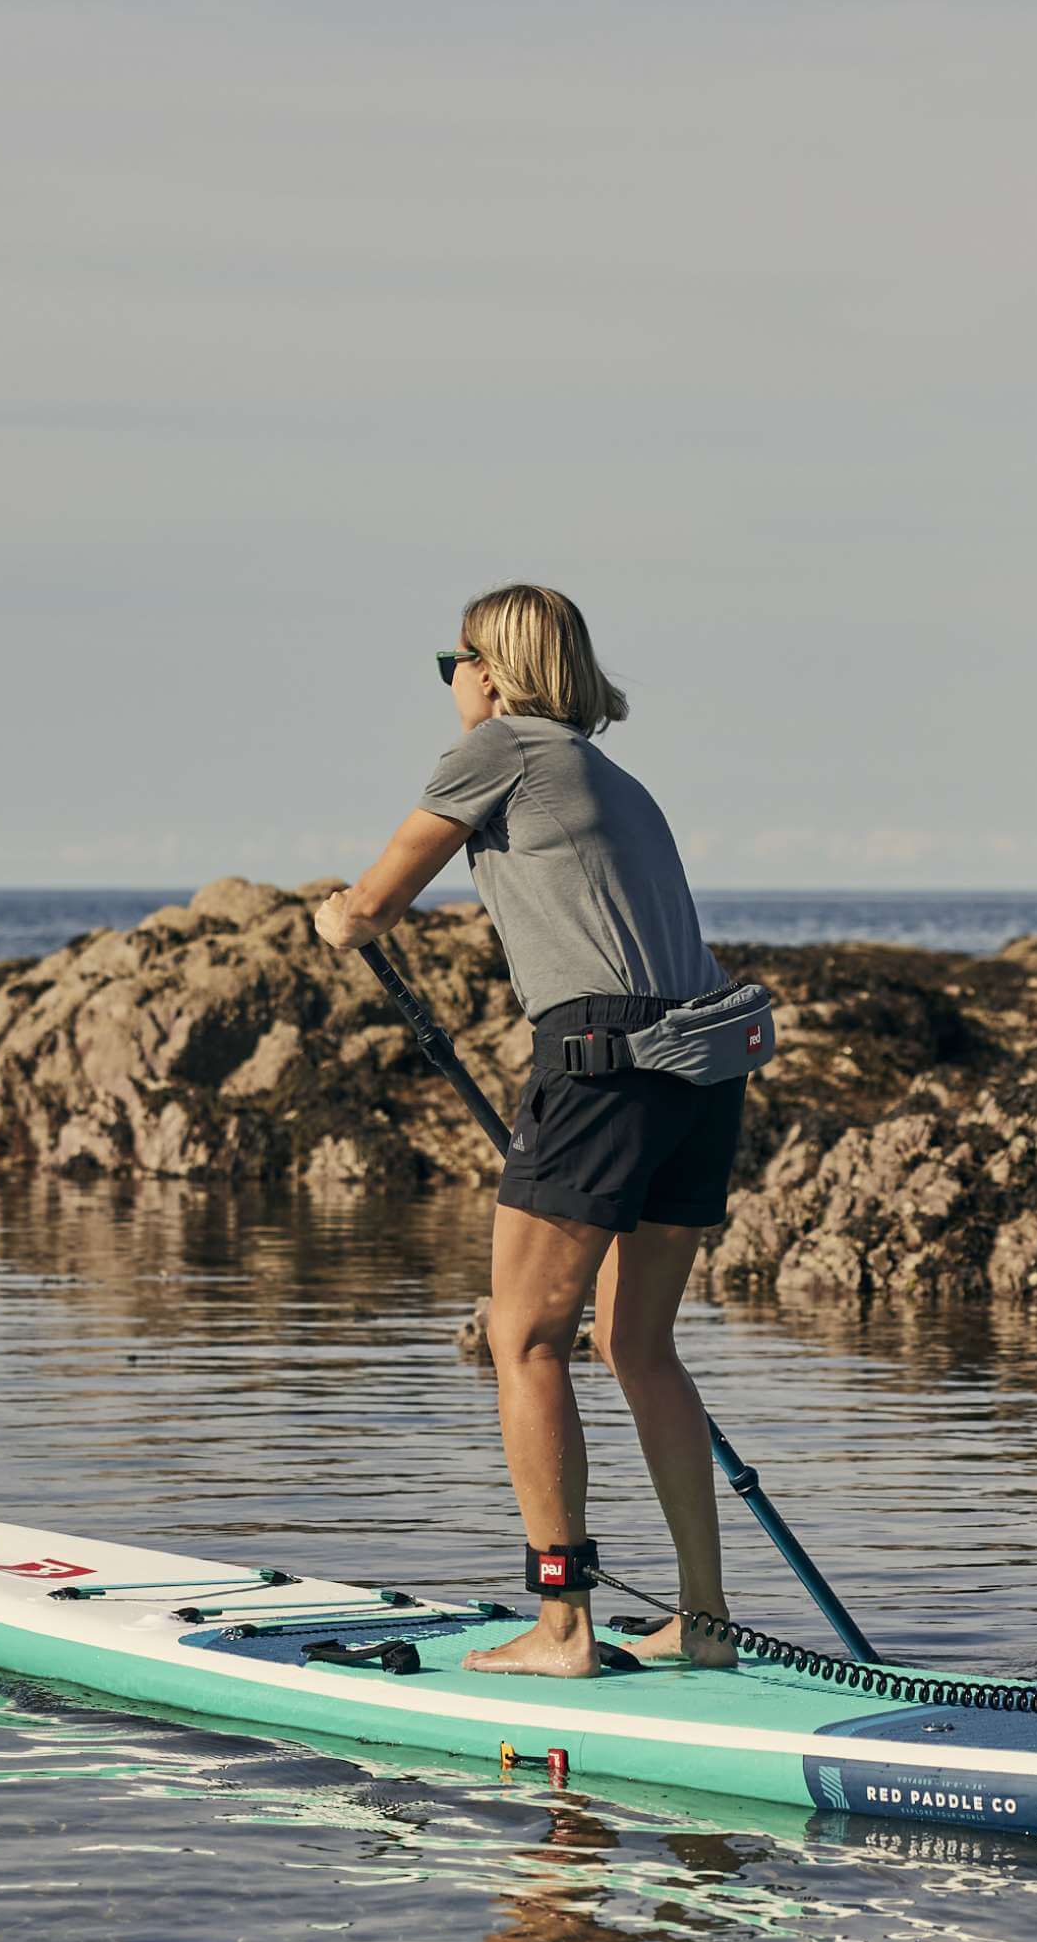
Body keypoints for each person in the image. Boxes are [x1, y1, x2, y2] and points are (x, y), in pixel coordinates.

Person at [312, 584, 747, 1679]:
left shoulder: (500, 746)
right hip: (700, 1073)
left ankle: (562, 1630)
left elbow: (374, 904)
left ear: (492, 669)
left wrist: (338, 919)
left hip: (600, 1068)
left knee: (525, 1340)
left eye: (450, 661)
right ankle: (704, 1619)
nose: (451, 681)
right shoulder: (617, 778)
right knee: (639, 1346)